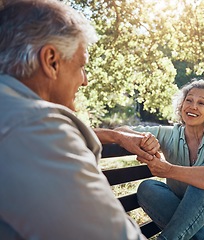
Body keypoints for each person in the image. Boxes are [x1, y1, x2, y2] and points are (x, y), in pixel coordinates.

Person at [0, 1, 159, 239]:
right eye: (81, 66)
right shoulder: (37, 128)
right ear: (51, 60)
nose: (84, 80)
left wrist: (115, 135)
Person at [117, 79, 204, 240]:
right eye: (189, 100)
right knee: (147, 187)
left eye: (201, 103)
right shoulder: (169, 134)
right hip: (198, 227)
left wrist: (169, 170)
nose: (193, 106)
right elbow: (121, 132)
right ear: (181, 105)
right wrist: (142, 140)